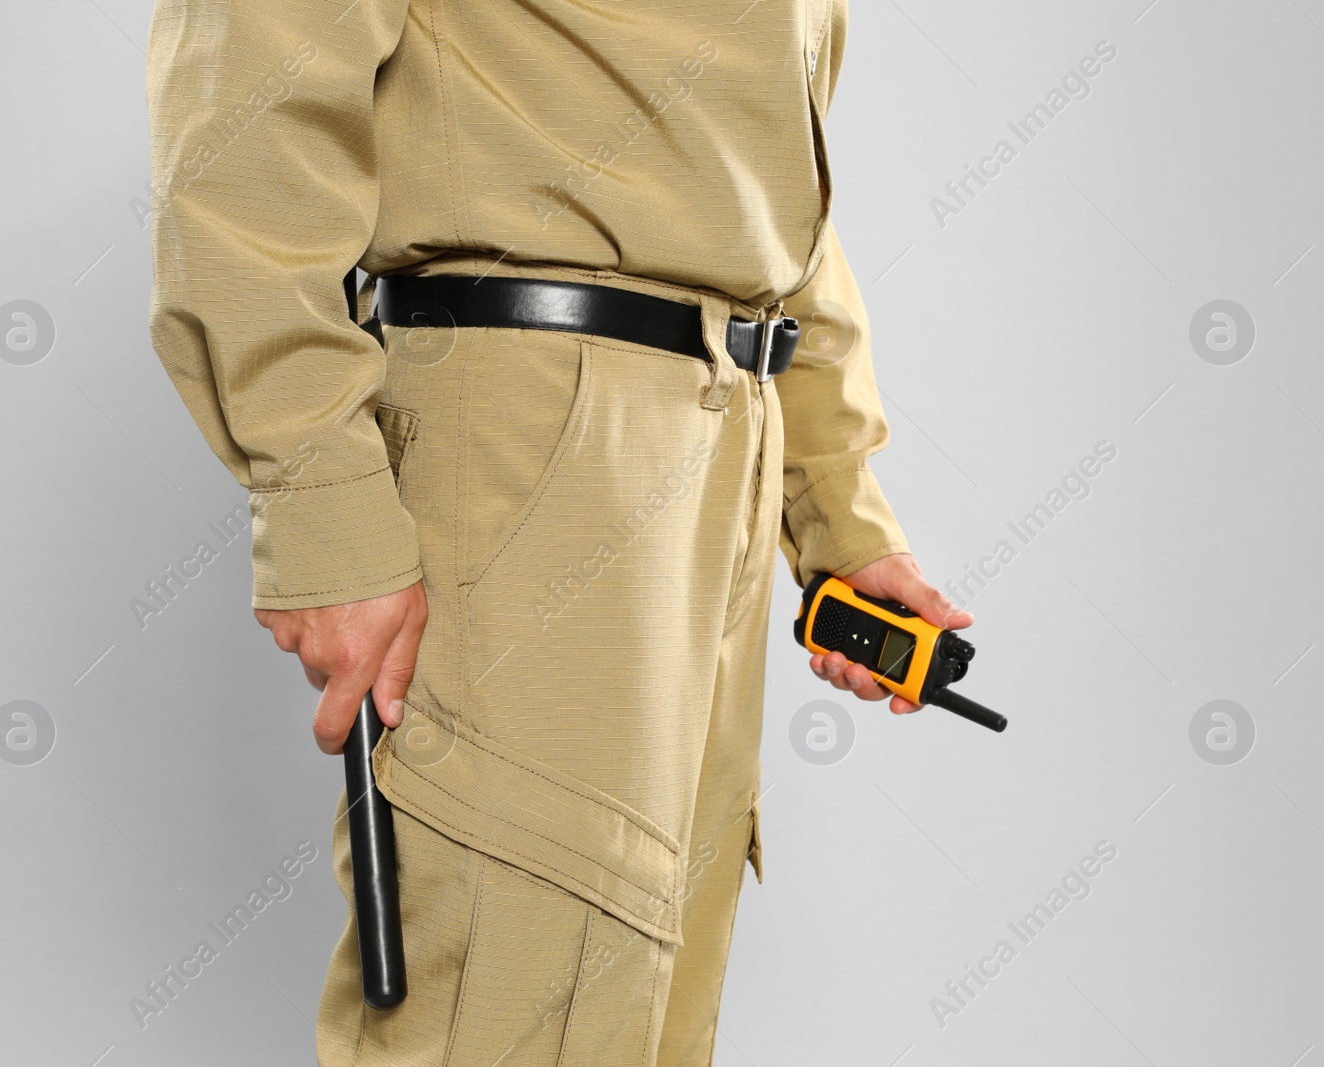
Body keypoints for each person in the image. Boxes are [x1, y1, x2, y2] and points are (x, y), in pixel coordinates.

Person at [145, 1, 971, 1063]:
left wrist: (840, 512)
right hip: (533, 433)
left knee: (639, 1004)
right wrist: (323, 507)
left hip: (726, 434)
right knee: (518, 987)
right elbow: (244, 130)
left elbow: (766, 185)